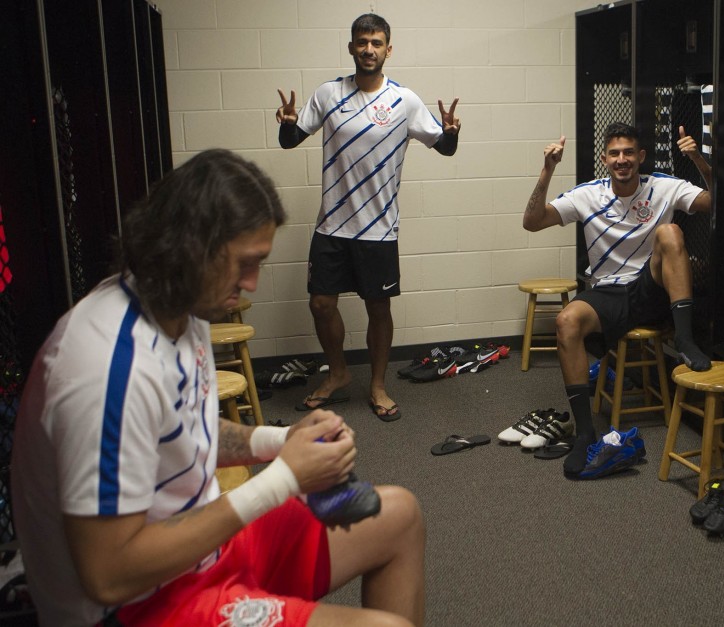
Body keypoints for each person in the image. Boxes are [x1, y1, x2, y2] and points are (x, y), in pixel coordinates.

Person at [11, 149, 425, 626]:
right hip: (137, 605)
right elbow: (110, 574)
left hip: (202, 552)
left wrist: (279, 441)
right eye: (244, 264)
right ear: (188, 249)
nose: (251, 284)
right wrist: (284, 479)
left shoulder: (178, 308)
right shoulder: (107, 368)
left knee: (400, 515)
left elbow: (187, 427)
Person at [276, 13, 460, 421]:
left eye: (377, 43)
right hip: (332, 225)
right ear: (351, 47)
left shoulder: (404, 101)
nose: (369, 49)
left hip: (379, 228)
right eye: (362, 42)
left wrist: (451, 132)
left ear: (388, 49)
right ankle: (338, 373)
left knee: (379, 308)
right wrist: (287, 125)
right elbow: (291, 140)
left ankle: (377, 385)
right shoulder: (328, 94)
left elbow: (444, 148)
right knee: (321, 304)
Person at [522, 122, 713, 478]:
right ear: (604, 159)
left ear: (640, 157)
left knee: (670, 231)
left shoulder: (663, 186)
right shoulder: (588, 194)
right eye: (614, 154)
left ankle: (685, 339)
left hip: (651, 286)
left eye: (628, 153)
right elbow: (532, 222)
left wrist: (699, 160)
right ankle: (585, 434)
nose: (621, 160)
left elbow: (717, 202)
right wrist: (547, 171)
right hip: (607, 290)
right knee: (566, 321)